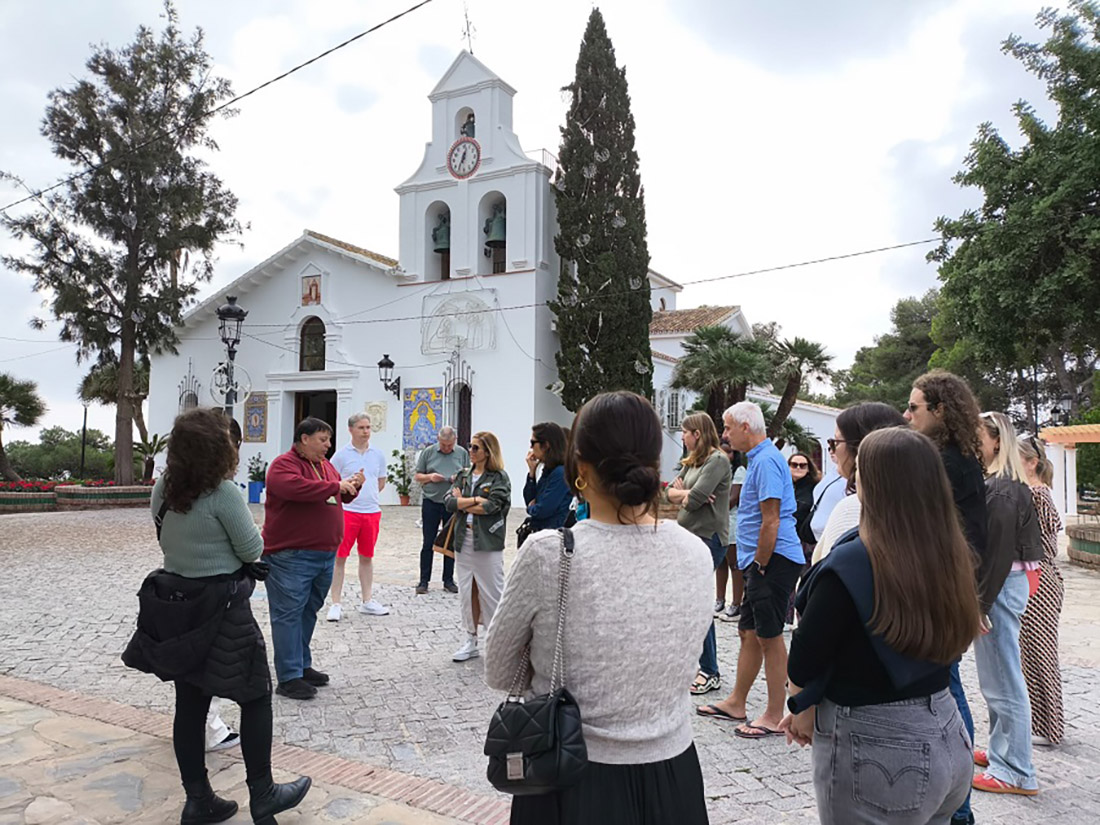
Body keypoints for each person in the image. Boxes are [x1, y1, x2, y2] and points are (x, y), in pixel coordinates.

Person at [485, 391, 712, 825]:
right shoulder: (696, 552)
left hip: (570, 779)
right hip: (675, 776)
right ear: (655, 463)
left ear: (580, 467)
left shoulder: (549, 553)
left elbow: (498, 670)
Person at [778, 427, 982, 825]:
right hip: (947, 729)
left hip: (881, 749)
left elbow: (806, 654)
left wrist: (801, 704)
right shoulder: (949, 550)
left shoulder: (853, 562)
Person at [125, 408, 310, 824]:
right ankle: (262, 793)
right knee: (257, 695)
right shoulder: (223, 493)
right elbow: (251, 549)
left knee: (190, 702)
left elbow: (163, 536)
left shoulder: (164, 489)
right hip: (223, 607)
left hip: (178, 604)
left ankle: (199, 799)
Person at [905, 370, 987, 825]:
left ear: (939, 410)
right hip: (951, 588)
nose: (908, 413)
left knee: (948, 694)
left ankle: (960, 807)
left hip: (945, 590)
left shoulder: (949, 464)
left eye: (915, 406)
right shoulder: (956, 458)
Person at [697, 402, 803, 738]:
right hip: (760, 561)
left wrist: (759, 564)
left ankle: (775, 714)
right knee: (748, 633)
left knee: (769, 637)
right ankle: (736, 702)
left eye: (728, 428)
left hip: (773, 560)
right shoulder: (760, 459)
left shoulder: (768, 461)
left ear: (746, 426)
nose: (724, 435)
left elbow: (771, 519)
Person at [263, 417, 362, 700]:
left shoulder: (325, 466)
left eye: (329, 441)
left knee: (307, 612)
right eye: (323, 440)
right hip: (291, 556)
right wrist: (336, 487)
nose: (328, 446)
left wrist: (350, 487)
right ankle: (289, 676)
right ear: (304, 439)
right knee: (288, 615)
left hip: (322, 554)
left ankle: (301, 666)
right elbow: (297, 489)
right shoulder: (284, 465)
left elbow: (333, 498)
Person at [971, 412, 1042, 797]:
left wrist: (979, 603)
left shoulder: (1001, 489)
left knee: (1003, 681)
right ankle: (1005, 754)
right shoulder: (1005, 484)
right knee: (998, 679)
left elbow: (996, 555)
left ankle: (1015, 769)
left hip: (999, 586)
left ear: (996, 441)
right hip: (1005, 584)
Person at [665, 412, 731, 696]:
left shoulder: (717, 460)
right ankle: (695, 663)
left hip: (709, 539)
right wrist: (686, 493)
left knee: (699, 604)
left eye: (685, 432)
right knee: (688, 602)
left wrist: (688, 494)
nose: (682, 436)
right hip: (688, 537)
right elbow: (669, 493)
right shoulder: (693, 460)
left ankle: (710, 670)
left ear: (698, 434)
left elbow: (694, 502)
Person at [445, 431, 511, 662]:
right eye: (470, 447)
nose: (471, 452)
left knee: (492, 592)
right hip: (464, 541)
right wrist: (473, 501)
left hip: (487, 542)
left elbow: (494, 506)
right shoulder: (464, 475)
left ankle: (498, 641)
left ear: (488, 452)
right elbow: (449, 502)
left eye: (475, 448)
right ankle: (470, 640)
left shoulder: (498, 477)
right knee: (467, 591)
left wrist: (463, 502)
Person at [813, 403, 907, 564]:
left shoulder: (854, 507)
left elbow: (832, 577)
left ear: (859, 447)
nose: (832, 451)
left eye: (834, 442)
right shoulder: (922, 506)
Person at [1017, 435, 1065, 747]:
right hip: (1037, 576)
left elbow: (1045, 542)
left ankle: (1051, 727)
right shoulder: (1033, 493)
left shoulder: (1037, 495)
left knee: (1041, 652)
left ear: (1031, 462)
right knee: (1030, 652)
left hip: (1041, 578)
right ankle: (1041, 724)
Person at [327, 413, 389, 620]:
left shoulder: (378, 454)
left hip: (371, 512)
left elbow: (380, 482)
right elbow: (332, 483)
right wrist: (352, 485)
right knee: (340, 557)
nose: (366, 431)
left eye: (368, 427)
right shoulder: (341, 455)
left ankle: (367, 600)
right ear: (351, 430)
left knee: (366, 557)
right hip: (348, 512)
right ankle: (335, 602)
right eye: (361, 427)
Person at [413, 427, 469, 594]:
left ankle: (448, 580)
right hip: (431, 501)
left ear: (455, 440)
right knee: (428, 541)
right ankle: (424, 581)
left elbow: (468, 474)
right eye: (443, 445)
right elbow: (417, 476)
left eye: (449, 445)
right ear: (438, 439)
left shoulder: (461, 453)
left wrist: (457, 479)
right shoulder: (428, 452)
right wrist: (430, 477)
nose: (446, 448)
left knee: (450, 542)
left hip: (451, 503)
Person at [716, 441, 747, 622]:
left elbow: (733, 498)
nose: (726, 455)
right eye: (723, 451)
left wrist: (712, 509)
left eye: (730, 452)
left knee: (734, 563)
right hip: (718, 522)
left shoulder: (739, 471)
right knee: (720, 562)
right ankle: (719, 599)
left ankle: (736, 603)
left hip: (732, 522)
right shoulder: (715, 470)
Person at [522, 422, 572, 535]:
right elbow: (529, 499)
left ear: (545, 445)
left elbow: (542, 510)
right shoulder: (549, 470)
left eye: (533, 442)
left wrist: (531, 508)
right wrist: (532, 473)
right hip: (541, 533)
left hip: (552, 536)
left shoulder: (560, 473)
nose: (530, 447)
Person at [789, 451, 821, 556]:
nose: (798, 468)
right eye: (794, 465)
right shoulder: (784, 487)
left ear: (808, 469)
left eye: (802, 466)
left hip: (806, 539)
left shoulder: (815, 488)